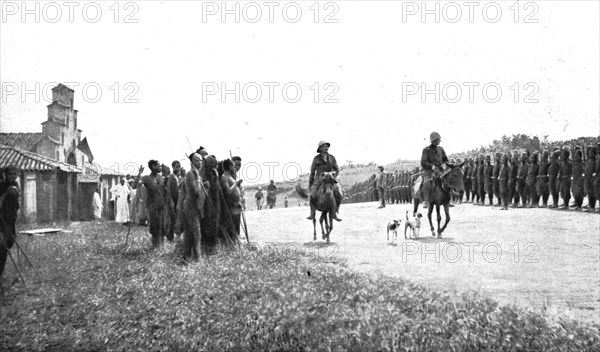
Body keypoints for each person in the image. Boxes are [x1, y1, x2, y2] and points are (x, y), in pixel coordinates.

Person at [133, 160, 172, 247]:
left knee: (163, 227)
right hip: (153, 207)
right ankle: (155, 247)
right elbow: (134, 186)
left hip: (162, 206)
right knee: (155, 228)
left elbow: (165, 191)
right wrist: (139, 174)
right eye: (159, 166)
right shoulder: (146, 178)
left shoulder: (160, 177)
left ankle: (162, 247)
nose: (160, 168)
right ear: (153, 166)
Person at [307, 140, 343, 221]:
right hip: (320, 179)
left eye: (327, 146)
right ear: (320, 149)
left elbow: (337, 169)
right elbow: (312, 171)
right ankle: (312, 213)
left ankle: (335, 212)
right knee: (312, 194)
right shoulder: (316, 159)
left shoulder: (332, 158)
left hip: (331, 179)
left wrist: (334, 175)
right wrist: (310, 183)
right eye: (324, 146)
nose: (326, 148)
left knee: (339, 194)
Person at [419, 132, 455, 211]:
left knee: (448, 182)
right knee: (427, 183)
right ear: (434, 140)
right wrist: (432, 166)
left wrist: (445, 165)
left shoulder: (441, 149)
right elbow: (423, 162)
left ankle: (448, 200)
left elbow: (446, 159)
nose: (440, 141)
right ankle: (425, 201)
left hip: (440, 171)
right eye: (439, 139)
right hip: (429, 171)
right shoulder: (426, 150)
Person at [0, 166, 20, 278]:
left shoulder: (15, 186)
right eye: (10, 174)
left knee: (8, 244)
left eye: (14, 173)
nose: (12, 176)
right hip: (2, 220)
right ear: (6, 175)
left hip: (10, 220)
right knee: (2, 246)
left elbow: (15, 197)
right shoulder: (2, 185)